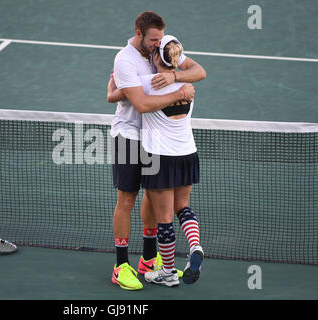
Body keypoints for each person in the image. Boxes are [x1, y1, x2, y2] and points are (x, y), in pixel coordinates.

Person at [107, 11, 206, 290]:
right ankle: (121, 266)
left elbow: (198, 70)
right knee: (127, 200)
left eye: (160, 39)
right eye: (153, 39)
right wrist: (180, 91)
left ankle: (149, 260)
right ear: (139, 34)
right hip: (129, 135)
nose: (157, 44)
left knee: (152, 196)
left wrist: (175, 75)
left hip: (155, 140)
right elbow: (139, 104)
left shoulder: (162, 51)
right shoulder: (125, 59)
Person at [138, 35, 204, 287]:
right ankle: (195, 246)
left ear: (157, 57)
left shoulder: (147, 84)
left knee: (164, 218)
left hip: (159, 158)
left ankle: (167, 273)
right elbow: (197, 70)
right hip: (188, 154)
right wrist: (177, 73)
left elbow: (119, 92)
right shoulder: (189, 87)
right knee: (183, 207)